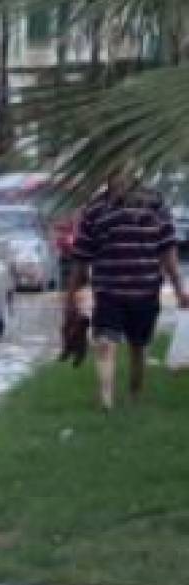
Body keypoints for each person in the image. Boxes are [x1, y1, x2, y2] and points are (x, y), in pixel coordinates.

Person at [65, 168, 189, 410]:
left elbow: (168, 250)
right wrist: (71, 296)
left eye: (126, 172)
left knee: (139, 347)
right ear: (108, 176)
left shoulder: (154, 204)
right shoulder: (95, 210)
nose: (122, 178)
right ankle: (106, 399)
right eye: (116, 172)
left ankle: (134, 394)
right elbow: (81, 257)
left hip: (145, 289)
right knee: (104, 343)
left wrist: (179, 288)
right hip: (109, 291)